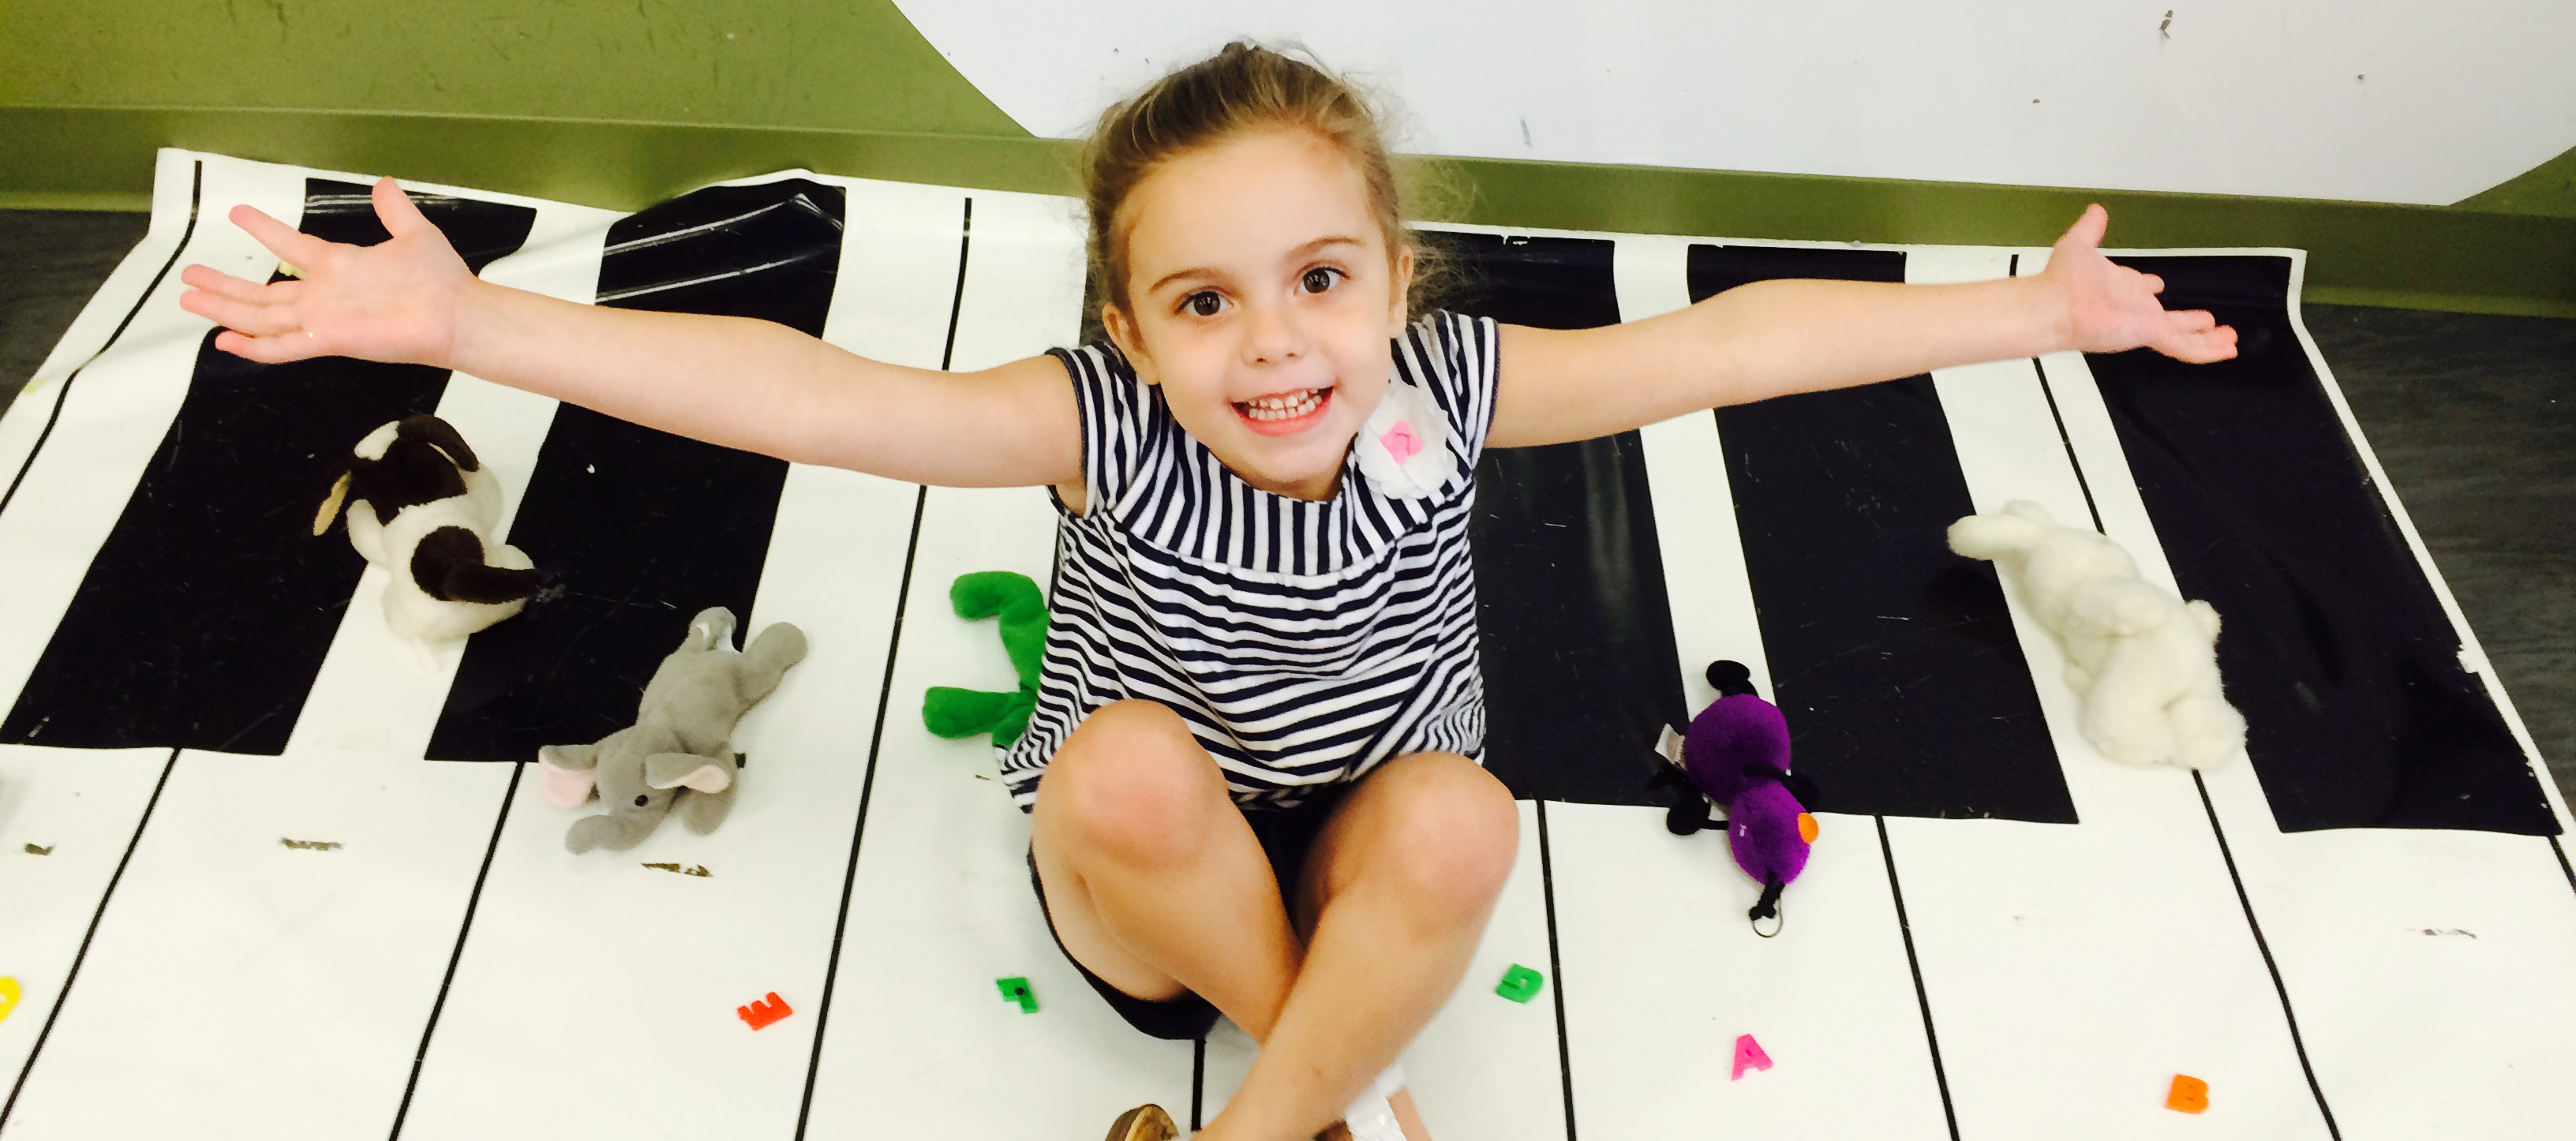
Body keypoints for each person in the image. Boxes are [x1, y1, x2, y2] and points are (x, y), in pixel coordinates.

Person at [177, 41, 2234, 1141]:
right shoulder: (1098, 425)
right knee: (1139, 774)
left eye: (1320, 279)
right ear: (1131, 327)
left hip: (1362, 864)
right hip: (1150, 900)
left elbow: (1740, 344)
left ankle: (1266, 1134)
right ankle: (1324, 1082)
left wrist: (2027, 305)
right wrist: (487, 330)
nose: (1276, 348)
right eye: (1205, 298)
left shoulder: (1439, 400)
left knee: (1463, 809)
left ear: (1397, 281)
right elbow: (800, 386)